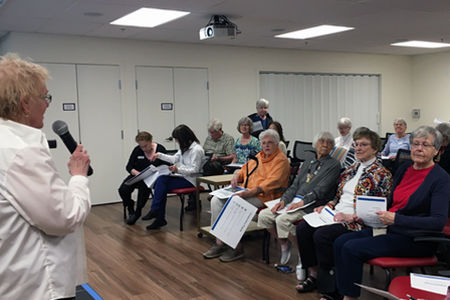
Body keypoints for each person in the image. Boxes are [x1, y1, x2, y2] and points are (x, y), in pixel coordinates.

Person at [0, 53, 91, 299]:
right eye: (45, 96)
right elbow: (65, 217)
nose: (48, 103)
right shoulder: (19, 151)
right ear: (24, 103)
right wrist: (78, 176)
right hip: (37, 285)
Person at [334, 126, 450, 300]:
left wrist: (396, 218)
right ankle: (339, 293)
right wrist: (366, 215)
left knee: (351, 248)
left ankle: (349, 298)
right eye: (416, 144)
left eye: (425, 145)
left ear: (436, 150)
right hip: (390, 229)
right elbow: (390, 203)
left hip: (415, 238)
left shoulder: (441, 178)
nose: (419, 148)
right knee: (340, 241)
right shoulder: (405, 169)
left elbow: (437, 222)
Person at [295, 127, 392, 300]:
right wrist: (328, 205)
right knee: (302, 228)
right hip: (336, 214)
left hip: (358, 221)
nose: (358, 148)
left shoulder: (381, 175)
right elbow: (338, 196)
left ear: (375, 148)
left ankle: (333, 286)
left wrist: (350, 216)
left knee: (322, 235)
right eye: (356, 144)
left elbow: (376, 210)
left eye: (364, 144)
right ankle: (314, 275)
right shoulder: (351, 169)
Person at [203, 129, 290, 262]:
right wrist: (237, 175)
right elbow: (244, 169)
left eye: (270, 143)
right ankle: (219, 242)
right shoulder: (259, 156)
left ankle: (236, 247)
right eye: (264, 143)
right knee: (216, 200)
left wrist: (247, 193)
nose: (266, 145)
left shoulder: (281, 161)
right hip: (247, 192)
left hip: (266, 197)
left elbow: (271, 183)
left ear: (277, 144)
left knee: (235, 203)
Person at [257, 132, 340, 266]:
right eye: (321, 141)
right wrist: (283, 200)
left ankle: (303, 253)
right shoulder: (309, 161)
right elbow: (295, 184)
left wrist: (301, 202)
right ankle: (284, 244)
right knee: (264, 216)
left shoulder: (334, 165)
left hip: (311, 204)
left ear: (332, 147)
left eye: (329, 142)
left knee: (282, 220)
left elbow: (321, 190)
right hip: (293, 201)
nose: (325, 144)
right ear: (315, 144)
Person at [144, 124, 204, 230]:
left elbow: (195, 170)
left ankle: (157, 214)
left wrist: (177, 170)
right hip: (182, 177)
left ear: (183, 138)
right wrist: (159, 155)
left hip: (191, 180)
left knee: (161, 183)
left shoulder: (197, 150)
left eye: (177, 139)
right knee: (161, 182)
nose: (176, 141)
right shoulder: (184, 148)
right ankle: (157, 214)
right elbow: (173, 159)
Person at [118, 131, 167, 225]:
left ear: (150, 141)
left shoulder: (160, 149)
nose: (143, 149)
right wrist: (136, 173)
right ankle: (130, 207)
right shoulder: (137, 150)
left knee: (143, 188)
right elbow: (129, 166)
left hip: (152, 177)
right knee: (123, 189)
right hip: (137, 175)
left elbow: (166, 164)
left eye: (146, 146)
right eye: (141, 146)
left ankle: (137, 212)